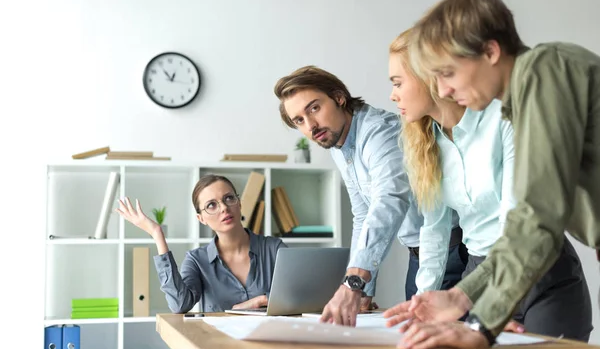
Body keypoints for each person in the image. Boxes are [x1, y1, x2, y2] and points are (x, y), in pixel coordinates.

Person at [384, 0, 600, 349]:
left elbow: (537, 215)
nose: (444, 91)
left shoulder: (544, 71)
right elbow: (527, 222)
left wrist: (480, 325)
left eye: (448, 73)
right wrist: (462, 297)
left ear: (490, 51)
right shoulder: (526, 99)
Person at [274, 66, 468, 326]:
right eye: (299, 120)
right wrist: (365, 288)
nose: (310, 125)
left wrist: (354, 283)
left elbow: (389, 200)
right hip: (419, 258)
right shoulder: (339, 145)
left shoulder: (379, 132)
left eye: (314, 108)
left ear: (339, 97)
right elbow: (363, 215)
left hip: (453, 255)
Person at [116, 174, 287, 313]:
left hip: (270, 347)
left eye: (229, 198)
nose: (224, 208)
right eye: (211, 205)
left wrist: (261, 300)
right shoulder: (197, 260)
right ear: (201, 218)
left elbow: (301, 297)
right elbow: (180, 305)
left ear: (239, 203)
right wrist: (157, 234)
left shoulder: (274, 249)